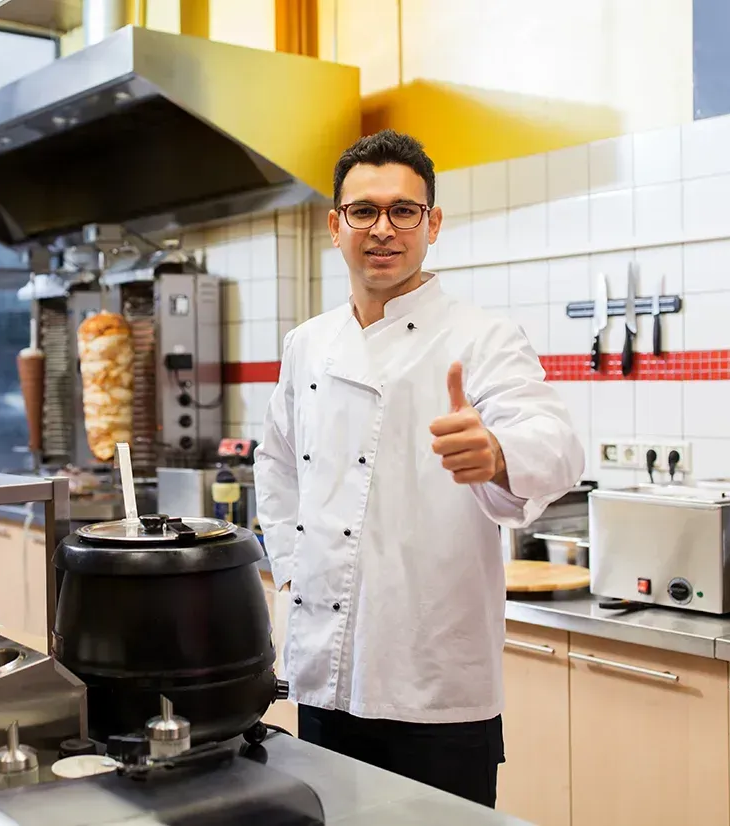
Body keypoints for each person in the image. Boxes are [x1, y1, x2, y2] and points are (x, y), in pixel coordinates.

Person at [254, 130, 585, 809]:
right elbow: (278, 461)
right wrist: (292, 566)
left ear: (432, 224)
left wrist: (497, 453)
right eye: (364, 211)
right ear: (335, 225)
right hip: (325, 672)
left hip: (434, 685)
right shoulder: (307, 343)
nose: (383, 228)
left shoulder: (481, 336)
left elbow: (555, 440)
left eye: (404, 210)